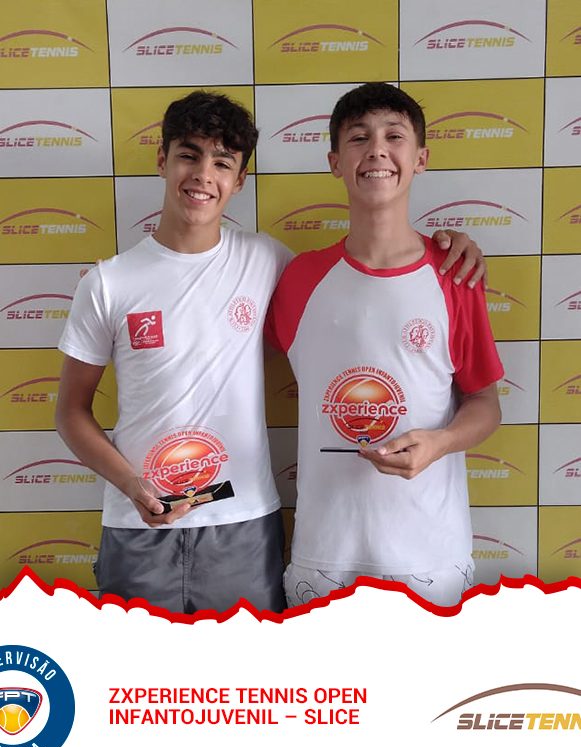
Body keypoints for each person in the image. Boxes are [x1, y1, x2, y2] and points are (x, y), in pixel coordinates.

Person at [56, 90, 489, 615]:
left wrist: (453, 245)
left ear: (239, 180)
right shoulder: (110, 282)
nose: (203, 175)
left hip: (246, 522)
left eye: (222, 163)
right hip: (138, 526)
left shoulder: (270, 262)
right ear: (162, 159)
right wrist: (131, 483)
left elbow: (373, 286)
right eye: (189, 155)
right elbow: (71, 410)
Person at [266, 83, 503, 608]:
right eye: (359, 138)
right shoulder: (297, 278)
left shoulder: (455, 275)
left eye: (394, 136)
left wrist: (440, 442)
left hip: (430, 557)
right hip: (324, 556)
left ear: (421, 158)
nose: (376, 150)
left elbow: (485, 403)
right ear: (335, 162)